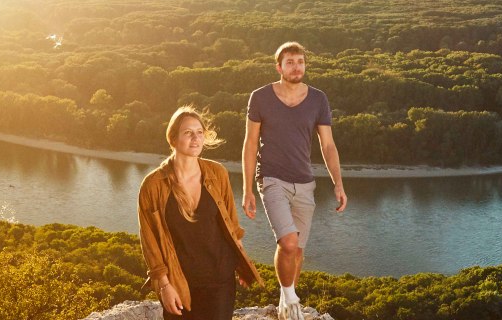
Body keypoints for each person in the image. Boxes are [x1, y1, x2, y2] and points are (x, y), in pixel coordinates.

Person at [241, 41, 348, 320]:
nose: (296, 66)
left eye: (300, 61)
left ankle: (284, 296)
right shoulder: (260, 97)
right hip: (271, 177)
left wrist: (338, 183)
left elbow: (328, 145)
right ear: (279, 67)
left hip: (305, 181)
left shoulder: (318, 99)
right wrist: (247, 189)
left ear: (305, 65)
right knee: (287, 243)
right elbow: (250, 144)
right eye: (290, 62)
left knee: (298, 250)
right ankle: (290, 297)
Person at [139, 107, 260, 320]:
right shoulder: (153, 185)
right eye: (188, 132)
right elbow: (150, 242)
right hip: (179, 281)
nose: (196, 138)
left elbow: (231, 225)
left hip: (220, 278)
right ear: (173, 139)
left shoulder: (217, 173)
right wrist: (164, 285)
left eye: (200, 132)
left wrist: (241, 262)